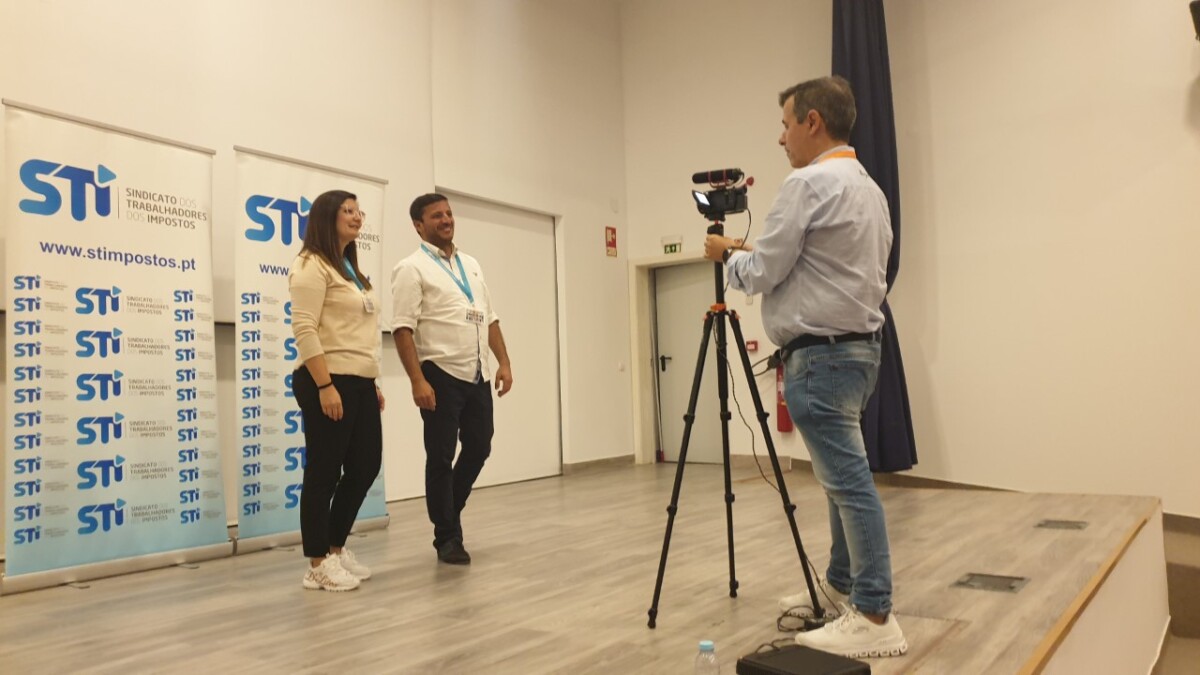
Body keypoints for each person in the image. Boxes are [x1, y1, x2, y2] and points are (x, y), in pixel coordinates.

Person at [703, 76, 907, 658]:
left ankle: (875, 613)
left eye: (786, 124)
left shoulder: (807, 183)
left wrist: (726, 257)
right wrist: (753, 256)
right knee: (841, 479)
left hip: (821, 357)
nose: (781, 138)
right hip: (859, 350)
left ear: (813, 122)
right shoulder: (870, 189)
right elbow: (820, 265)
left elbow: (765, 271)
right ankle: (841, 586)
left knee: (848, 483)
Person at [391, 193, 513, 565]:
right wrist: (417, 380)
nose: (446, 220)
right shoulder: (410, 268)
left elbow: (489, 317)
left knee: (480, 446)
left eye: (448, 213)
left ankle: (450, 508)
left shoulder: (470, 264)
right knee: (441, 456)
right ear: (418, 225)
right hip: (439, 374)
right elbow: (402, 329)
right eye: (436, 216)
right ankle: (446, 536)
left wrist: (504, 362)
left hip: (476, 372)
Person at [288, 189, 385, 592]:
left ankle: (334, 548)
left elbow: (357, 333)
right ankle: (316, 564)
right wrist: (325, 385)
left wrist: (371, 381)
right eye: (348, 211)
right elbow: (304, 328)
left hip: (359, 381)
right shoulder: (310, 265)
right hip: (327, 380)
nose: (357, 217)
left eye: (359, 211)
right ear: (327, 217)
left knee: (365, 466)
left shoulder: (350, 269)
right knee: (324, 472)